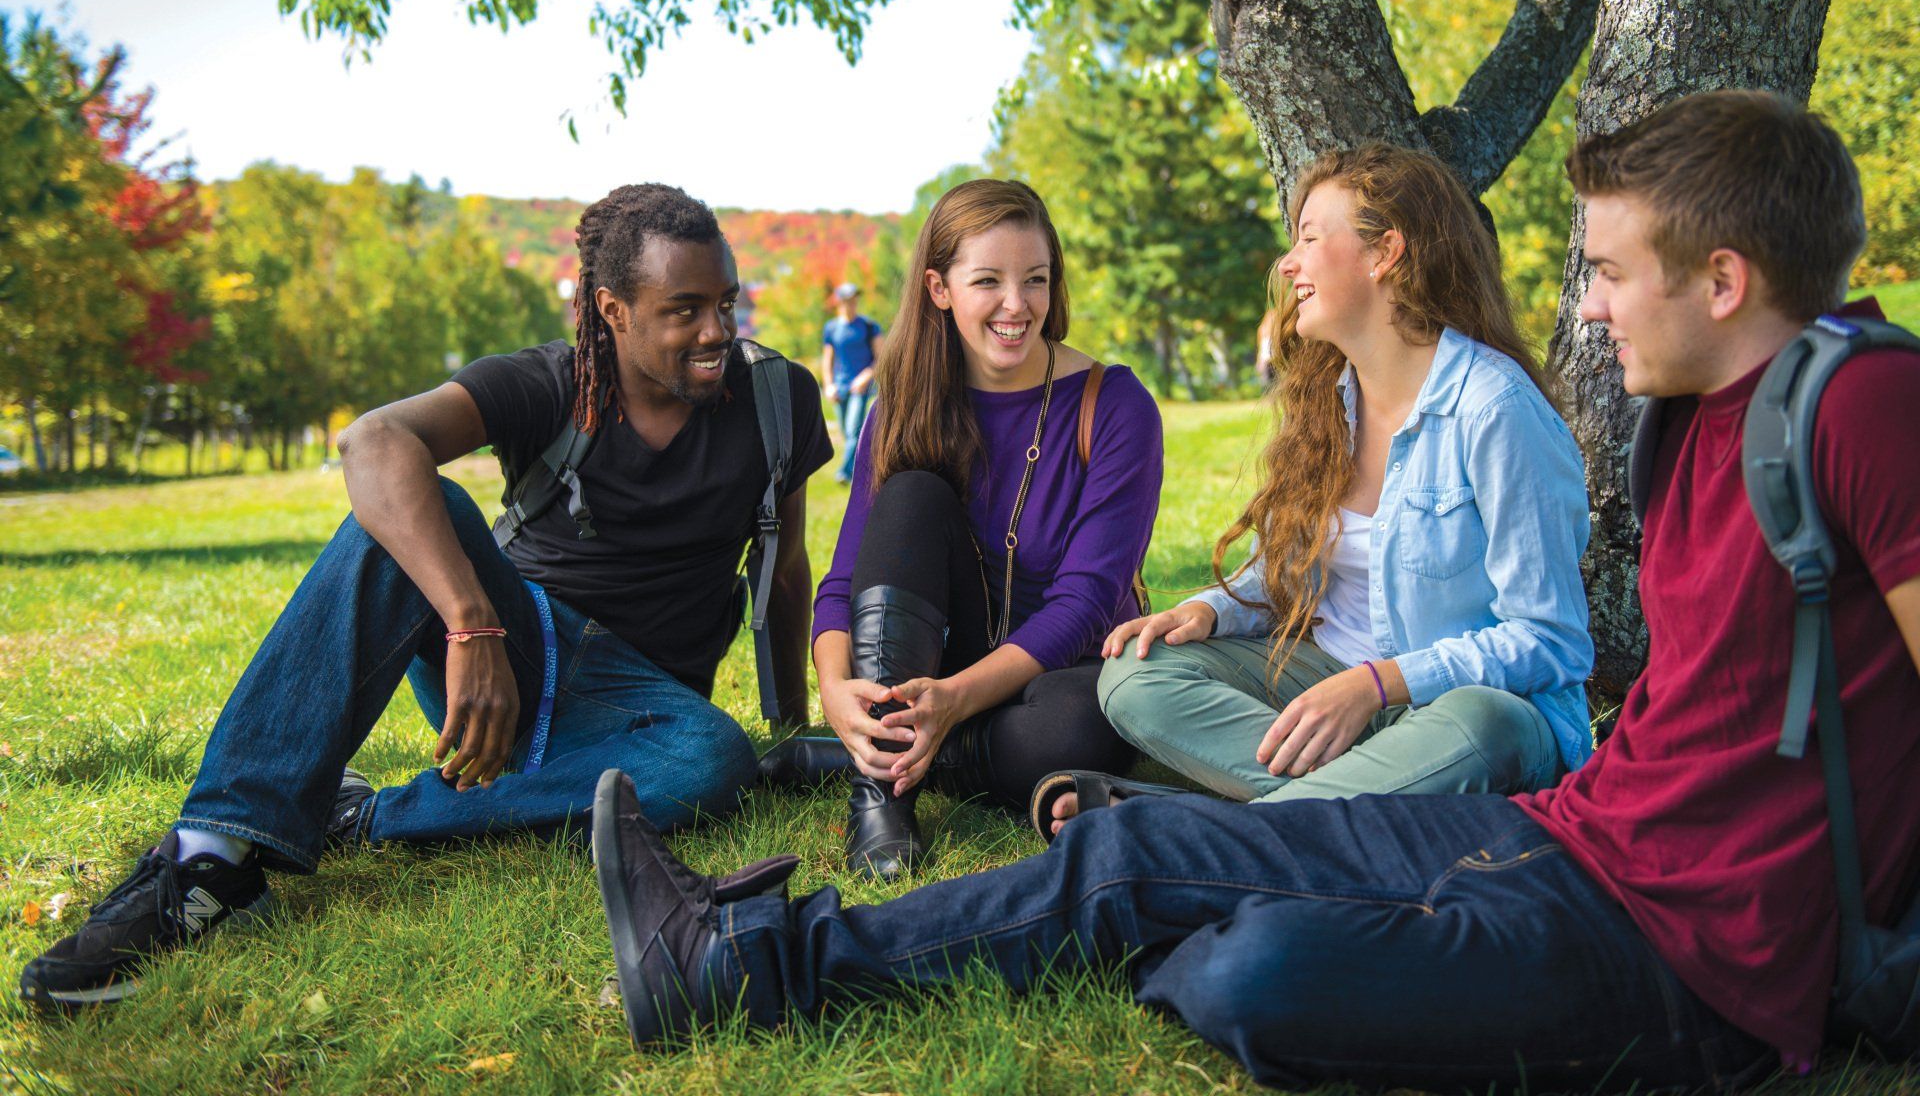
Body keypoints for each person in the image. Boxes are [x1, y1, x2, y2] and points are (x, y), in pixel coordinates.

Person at [593, 93, 1920, 1091]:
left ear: (1726, 282)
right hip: (1579, 839)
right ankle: (737, 957)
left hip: (1700, 959)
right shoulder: (1692, 419)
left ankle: (1236, 879)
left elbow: (1565, 652)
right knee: (1127, 854)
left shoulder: (1866, 403)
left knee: (1260, 967)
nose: (1588, 308)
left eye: (1613, 273)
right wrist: (1210, 618)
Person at [19, 183, 833, 1009]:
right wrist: (473, 626)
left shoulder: (777, 398)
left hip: (647, 714)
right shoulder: (549, 382)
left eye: (726, 303)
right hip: (515, 659)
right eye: (685, 309)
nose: (716, 332)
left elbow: (786, 568)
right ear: (613, 309)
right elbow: (373, 439)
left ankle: (366, 819)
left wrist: (790, 726)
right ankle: (211, 857)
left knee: (713, 760)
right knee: (408, 509)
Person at [1037, 144, 1592, 837]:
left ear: (1385, 252)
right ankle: (1369, 799)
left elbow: (1551, 641)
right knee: (1134, 675)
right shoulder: (1331, 401)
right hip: (1330, 680)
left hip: (1466, 711)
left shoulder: (1493, 408)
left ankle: (1199, 831)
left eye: (1307, 238)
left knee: (1483, 728)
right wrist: (1212, 612)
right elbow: (1292, 573)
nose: (1287, 264)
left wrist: (1380, 684)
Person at [766, 178, 1161, 879]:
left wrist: (952, 701)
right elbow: (845, 581)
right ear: (939, 289)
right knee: (912, 494)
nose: (1018, 305)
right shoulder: (904, 405)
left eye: (1035, 280)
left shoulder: (1117, 405)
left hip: (1061, 670)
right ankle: (879, 795)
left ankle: (854, 755)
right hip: (940, 656)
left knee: (1083, 728)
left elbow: (1085, 604)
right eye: (989, 281)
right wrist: (834, 691)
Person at [822, 282, 883, 484]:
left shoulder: (869, 327)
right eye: (848, 300)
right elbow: (827, 360)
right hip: (840, 387)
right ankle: (862, 471)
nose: (852, 303)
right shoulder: (831, 328)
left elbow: (881, 358)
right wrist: (829, 385)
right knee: (848, 433)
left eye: (855, 299)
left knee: (854, 431)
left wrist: (865, 376)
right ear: (840, 301)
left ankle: (844, 474)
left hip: (861, 388)